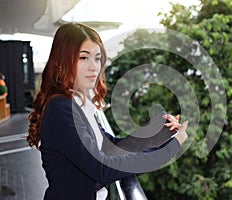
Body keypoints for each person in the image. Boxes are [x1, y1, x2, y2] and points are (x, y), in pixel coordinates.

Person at [27, 22, 188, 200]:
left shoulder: (79, 103)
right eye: (83, 58)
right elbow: (103, 169)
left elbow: (112, 147)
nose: (94, 66)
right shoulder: (61, 108)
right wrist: (170, 149)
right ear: (61, 62)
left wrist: (163, 130)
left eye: (97, 58)